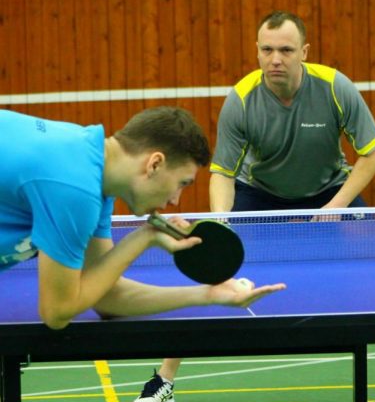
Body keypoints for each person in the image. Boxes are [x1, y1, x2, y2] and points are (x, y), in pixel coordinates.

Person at [132, 11, 375, 402]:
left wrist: (336, 206)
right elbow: (223, 173)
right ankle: (163, 380)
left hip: (330, 191)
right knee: (213, 269)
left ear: (304, 52)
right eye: (267, 50)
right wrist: (222, 219)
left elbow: (373, 152)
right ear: (257, 51)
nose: (275, 59)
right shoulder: (242, 99)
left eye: (285, 50)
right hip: (260, 193)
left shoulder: (334, 88)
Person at [0, 106, 286, 331]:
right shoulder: (76, 189)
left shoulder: (94, 173)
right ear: (155, 164)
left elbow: (106, 297)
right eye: (182, 183)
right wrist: (141, 239)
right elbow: (57, 311)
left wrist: (209, 295)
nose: (175, 200)